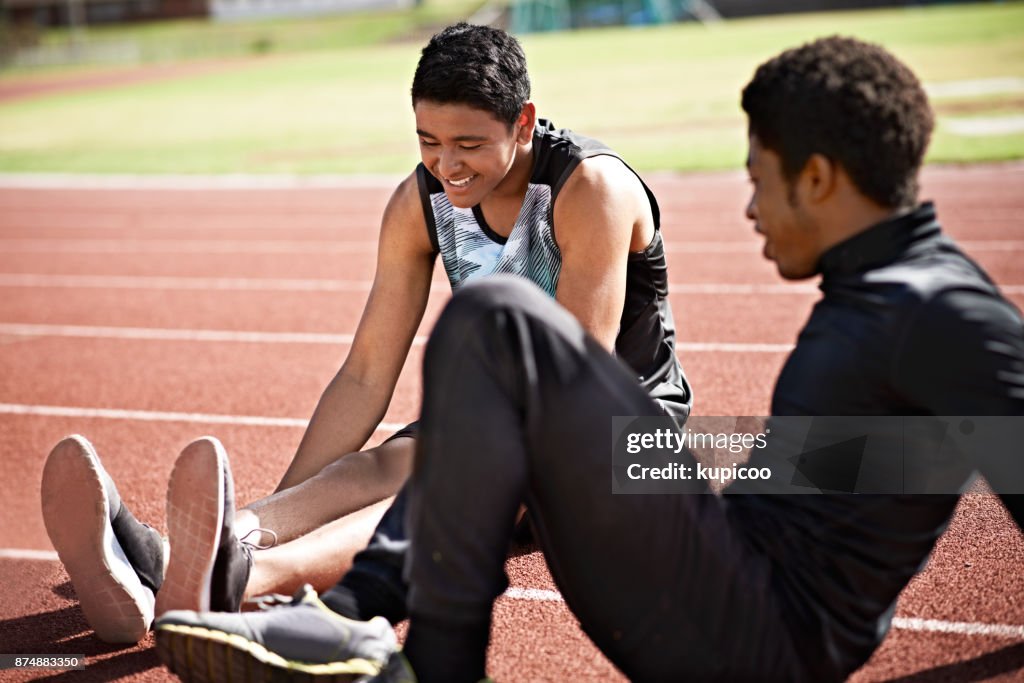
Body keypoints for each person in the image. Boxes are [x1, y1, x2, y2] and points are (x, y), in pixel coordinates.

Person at [152, 34, 1024, 683]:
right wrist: (740, 454)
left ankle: (364, 625)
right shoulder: (890, 295)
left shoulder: (936, 308)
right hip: (726, 567)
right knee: (492, 342)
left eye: (758, 178)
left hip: (760, 636)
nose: (750, 207)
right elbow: (902, 458)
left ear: (823, 179)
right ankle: (327, 600)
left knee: (497, 320)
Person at [40, 22, 691, 644]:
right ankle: (206, 555)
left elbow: (571, 383)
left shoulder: (589, 189)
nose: (446, 165)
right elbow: (365, 374)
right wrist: (267, 512)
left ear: (523, 122)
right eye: (428, 141)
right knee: (376, 463)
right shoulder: (422, 203)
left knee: (448, 485)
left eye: (468, 144)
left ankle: (241, 580)